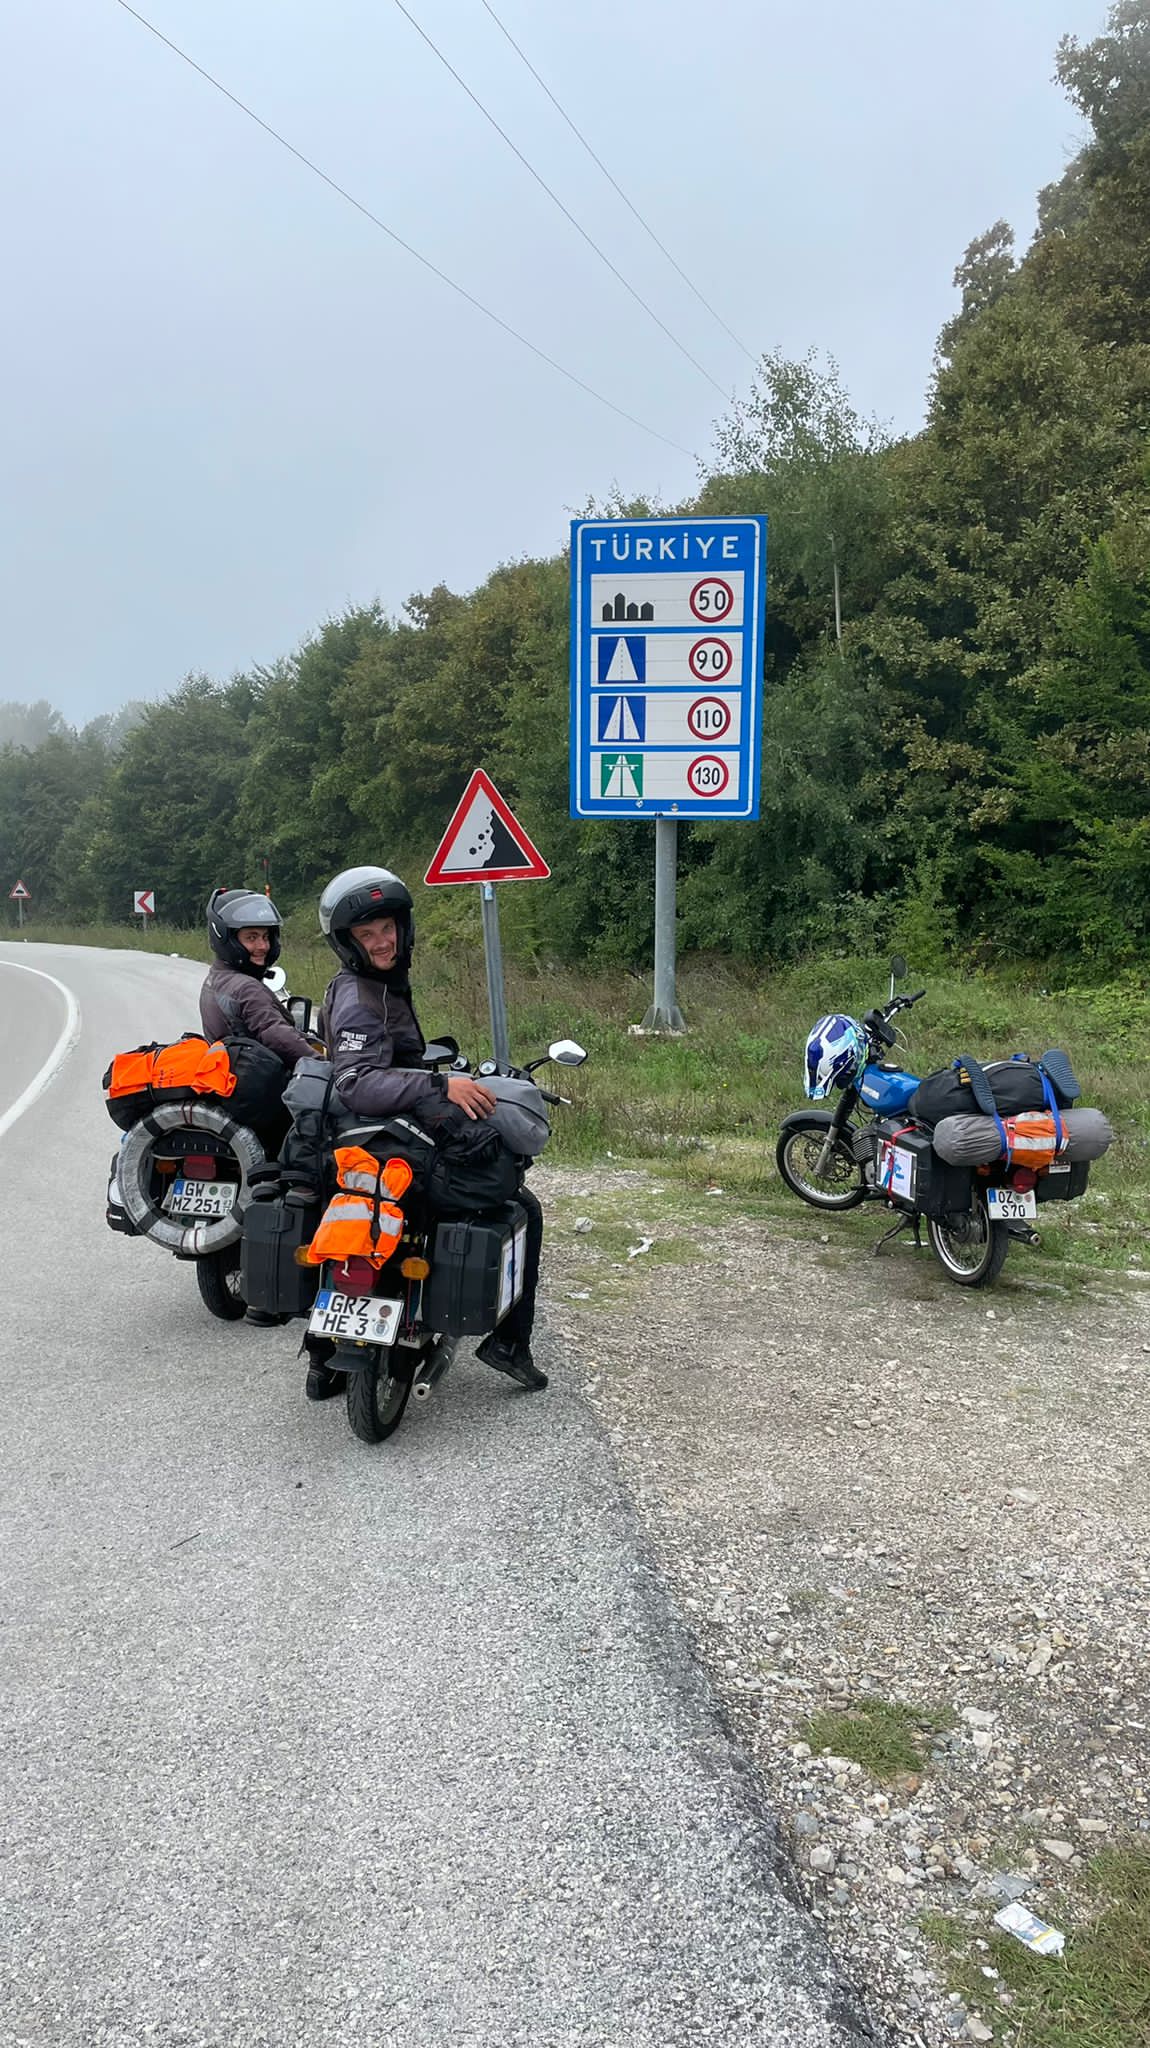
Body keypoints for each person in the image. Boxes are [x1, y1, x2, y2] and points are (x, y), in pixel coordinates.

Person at [312, 864, 547, 1397]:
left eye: (387, 928)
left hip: (355, 1143)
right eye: (367, 934)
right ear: (347, 942)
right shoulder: (360, 995)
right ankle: (509, 1344)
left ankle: (322, 1360)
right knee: (522, 1204)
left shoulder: (376, 983)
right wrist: (439, 1086)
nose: (382, 941)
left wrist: (428, 1078)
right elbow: (355, 1081)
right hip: (380, 1141)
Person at [200, 888, 316, 1068]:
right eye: (251, 937)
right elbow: (277, 1035)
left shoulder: (214, 978)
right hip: (258, 1081)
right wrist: (322, 1063)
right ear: (228, 940)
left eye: (265, 937)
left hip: (231, 1075)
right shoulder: (247, 989)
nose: (262, 946)